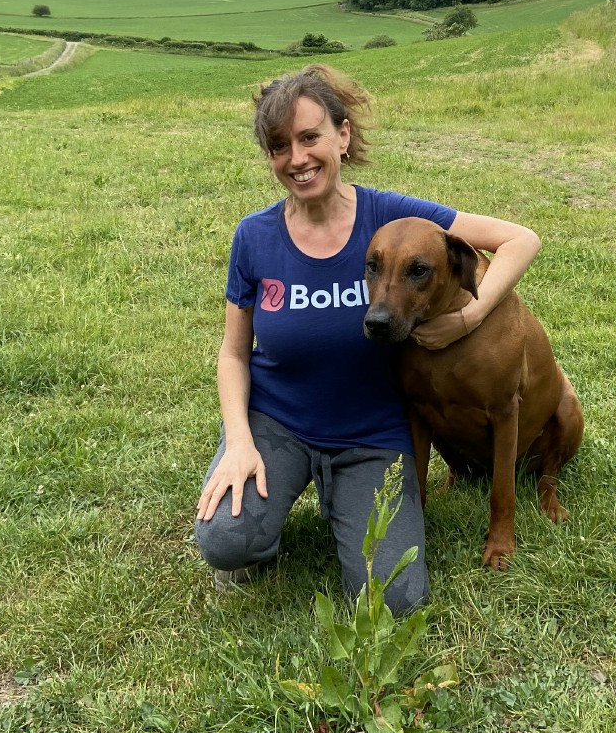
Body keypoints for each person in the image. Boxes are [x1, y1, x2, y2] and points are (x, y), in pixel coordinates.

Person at [194, 64, 541, 614]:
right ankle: (267, 521)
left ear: (343, 135)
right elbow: (234, 353)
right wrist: (239, 441)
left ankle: (344, 500)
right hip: (278, 423)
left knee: (396, 599)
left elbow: (520, 240)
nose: (298, 158)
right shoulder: (254, 236)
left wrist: (469, 319)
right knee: (225, 541)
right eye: (280, 146)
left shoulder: (390, 217)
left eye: (311, 137)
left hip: (372, 435)